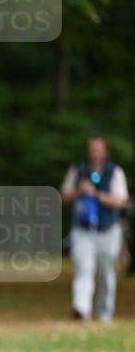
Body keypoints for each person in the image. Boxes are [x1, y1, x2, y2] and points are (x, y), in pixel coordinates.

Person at [60, 136, 130, 321]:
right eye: (92, 149)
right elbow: (63, 196)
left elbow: (122, 201)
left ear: (105, 151)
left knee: (107, 273)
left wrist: (97, 195)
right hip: (82, 230)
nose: (95, 153)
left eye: (98, 149)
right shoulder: (77, 170)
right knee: (83, 269)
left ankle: (105, 313)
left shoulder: (114, 171)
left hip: (108, 230)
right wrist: (78, 191)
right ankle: (81, 310)